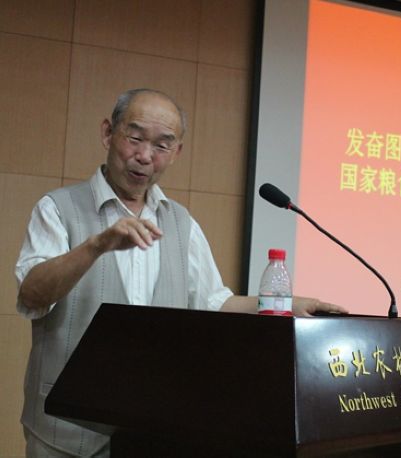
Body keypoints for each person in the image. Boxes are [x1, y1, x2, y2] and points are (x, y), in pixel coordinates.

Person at [15, 88, 346, 457]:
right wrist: (97, 245)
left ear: (176, 153)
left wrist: (287, 306)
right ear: (108, 133)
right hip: (65, 427)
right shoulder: (58, 209)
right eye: (135, 138)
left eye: (162, 145)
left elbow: (214, 302)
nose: (145, 156)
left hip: (148, 430)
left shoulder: (181, 223)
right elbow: (32, 294)